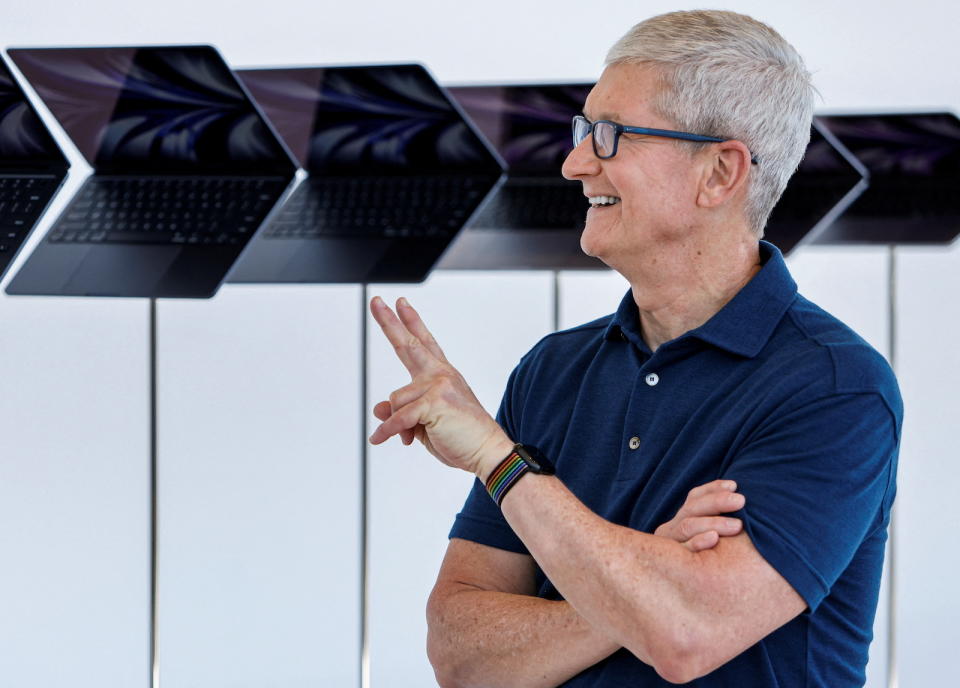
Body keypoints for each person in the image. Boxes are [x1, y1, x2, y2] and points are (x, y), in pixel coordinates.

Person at [369, 9, 902, 687]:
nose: (574, 162)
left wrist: (498, 461)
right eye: (582, 131)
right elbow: (462, 657)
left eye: (610, 135)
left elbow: (683, 636)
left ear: (719, 172)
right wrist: (645, 573)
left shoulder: (835, 388)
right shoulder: (552, 370)